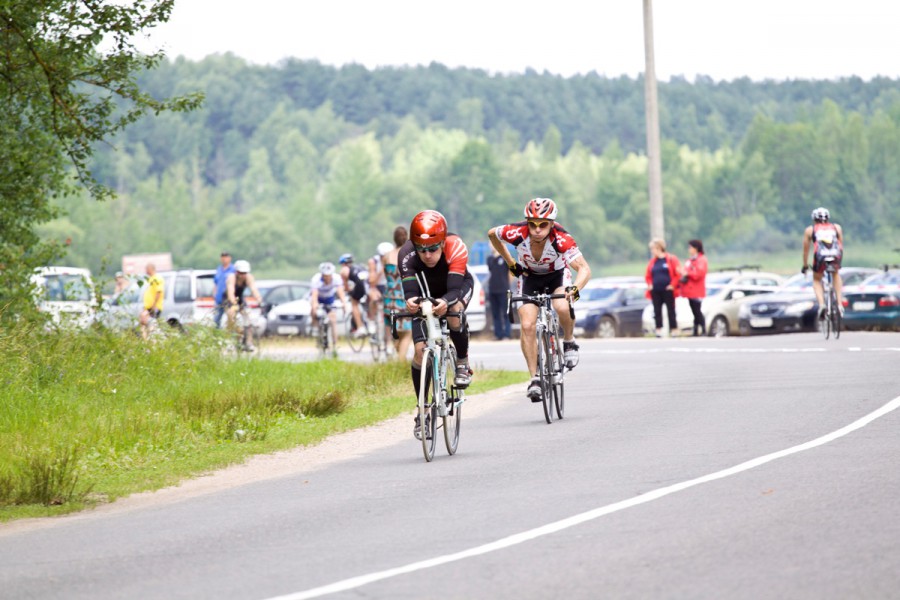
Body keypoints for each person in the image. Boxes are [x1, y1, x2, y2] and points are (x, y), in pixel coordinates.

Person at [487, 197, 591, 403]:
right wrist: (510, 262)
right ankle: (534, 378)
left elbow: (584, 269)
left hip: (557, 275)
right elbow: (492, 234)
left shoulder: (562, 239)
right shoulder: (517, 232)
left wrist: (575, 290)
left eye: (543, 224)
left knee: (561, 305)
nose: (536, 229)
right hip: (529, 277)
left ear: (551, 224)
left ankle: (569, 341)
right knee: (527, 324)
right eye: (532, 224)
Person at [399, 210, 474, 439]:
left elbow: (453, 290)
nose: (428, 255)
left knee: (453, 313)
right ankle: (422, 411)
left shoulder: (456, 246)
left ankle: (462, 361)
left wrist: (445, 301)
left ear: (442, 243)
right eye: (422, 250)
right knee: (421, 353)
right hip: (424, 293)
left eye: (433, 249)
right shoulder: (406, 255)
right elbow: (411, 293)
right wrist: (411, 303)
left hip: (455, 288)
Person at [802, 207, 844, 320]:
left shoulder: (810, 230)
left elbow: (806, 250)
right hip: (835, 255)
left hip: (820, 256)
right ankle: (840, 304)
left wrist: (805, 266)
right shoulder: (837, 228)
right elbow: (840, 245)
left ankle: (822, 305)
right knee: (836, 274)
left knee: (816, 280)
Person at [383, 226, 412, 361]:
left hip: (389, 297)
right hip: (403, 295)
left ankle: (401, 359)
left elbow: (386, 276)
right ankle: (401, 362)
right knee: (407, 331)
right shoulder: (408, 255)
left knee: (395, 329)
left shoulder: (387, 256)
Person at [309, 261, 348, 356]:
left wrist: (344, 303)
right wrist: (315, 305)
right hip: (319, 298)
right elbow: (314, 295)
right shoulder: (316, 279)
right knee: (313, 310)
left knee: (333, 320)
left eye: (328, 276)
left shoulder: (336, 278)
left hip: (329, 299)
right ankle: (315, 327)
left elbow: (340, 292)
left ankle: (335, 345)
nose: (327, 278)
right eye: (325, 276)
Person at [645, 238, 681, 338]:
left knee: (671, 310)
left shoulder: (670, 259)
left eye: (653, 249)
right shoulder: (653, 262)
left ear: (659, 248)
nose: (652, 251)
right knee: (657, 310)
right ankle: (658, 329)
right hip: (656, 290)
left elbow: (677, 274)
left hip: (668, 290)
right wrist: (650, 284)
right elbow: (648, 275)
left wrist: (672, 285)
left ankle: (674, 329)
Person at [225, 259, 263, 352]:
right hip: (229, 299)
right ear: (236, 272)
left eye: (244, 273)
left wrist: (259, 299)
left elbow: (253, 289)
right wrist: (234, 304)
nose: (242, 275)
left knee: (248, 318)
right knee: (231, 316)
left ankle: (248, 342)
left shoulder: (248, 277)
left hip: (240, 298)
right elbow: (231, 292)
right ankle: (229, 340)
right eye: (240, 273)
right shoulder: (231, 277)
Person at [679, 239, 708, 336]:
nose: (689, 249)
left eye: (690, 247)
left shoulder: (701, 260)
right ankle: (696, 330)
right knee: (694, 310)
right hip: (689, 290)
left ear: (696, 248)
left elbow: (699, 273)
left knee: (697, 310)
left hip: (697, 290)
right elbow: (685, 270)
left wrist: (688, 273)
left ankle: (703, 328)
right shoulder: (690, 260)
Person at [486, 246, 512, 340]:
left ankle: (507, 334)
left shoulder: (505, 258)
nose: (492, 246)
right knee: (495, 313)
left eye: (493, 243)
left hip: (503, 290)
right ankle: (498, 334)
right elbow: (490, 269)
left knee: (506, 313)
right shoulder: (490, 258)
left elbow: (510, 273)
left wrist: (507, 285)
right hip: (493, 290)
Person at [339, 253, 368, 338]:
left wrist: (349, 292)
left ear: (342, 263)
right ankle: (372, 322)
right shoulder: (361, 266)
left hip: (360, 284)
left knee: (354, 303)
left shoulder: (344, 270)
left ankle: (360, 327)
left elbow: (346, 286)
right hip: (368, 283)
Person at [140, 263, 164, 340]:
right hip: (148, 307)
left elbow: (159, 292)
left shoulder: (156, 279)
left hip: (153, 307)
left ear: (150, 269)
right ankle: (147, 341)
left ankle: (152, 341)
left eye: (147, 269)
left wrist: (154, 305)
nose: (146, 271)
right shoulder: (151, 279)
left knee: (152, 326)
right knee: (145, 324)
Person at [212, 252, 235, 328]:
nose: (224, 259)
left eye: (226, 257)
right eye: (222, 257)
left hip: (228, 300)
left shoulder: (233, 270)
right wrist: (214, 294)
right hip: (218, 300)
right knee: (216, 321)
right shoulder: (219, 269)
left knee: (231, 319)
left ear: (230, 258)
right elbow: (216, 283)